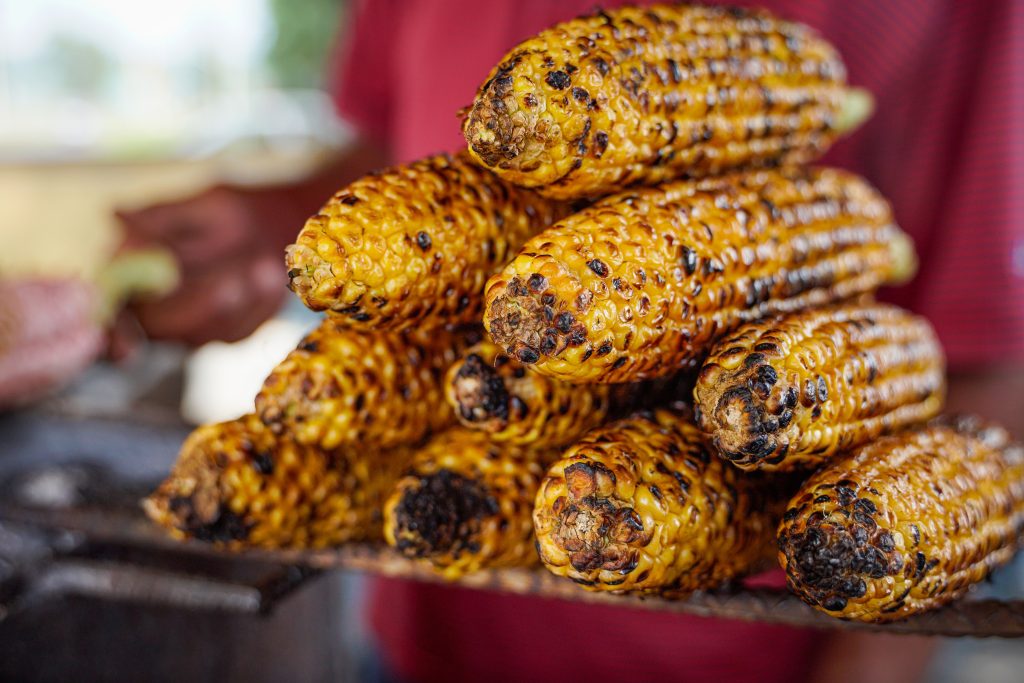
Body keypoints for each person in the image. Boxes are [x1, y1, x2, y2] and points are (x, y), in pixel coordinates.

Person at [116, 1, 1024, 681]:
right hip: (430, 579)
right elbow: (397, 137)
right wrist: (281, 223)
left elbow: (988, 358)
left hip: (722, 637)